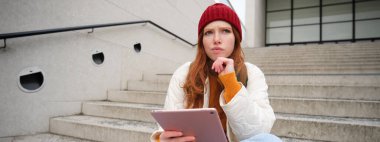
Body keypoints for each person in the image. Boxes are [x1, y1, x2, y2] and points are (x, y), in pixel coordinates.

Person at [150, 3, 281, 142]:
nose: (216, 39)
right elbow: (168, 124)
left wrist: (231, 84)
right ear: (202, 41)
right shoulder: (184, 73)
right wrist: (163, 139)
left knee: (268, 140)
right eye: (209, 32)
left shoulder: (252, 72)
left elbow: (257, 132)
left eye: (225, 31)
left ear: (235, 38)